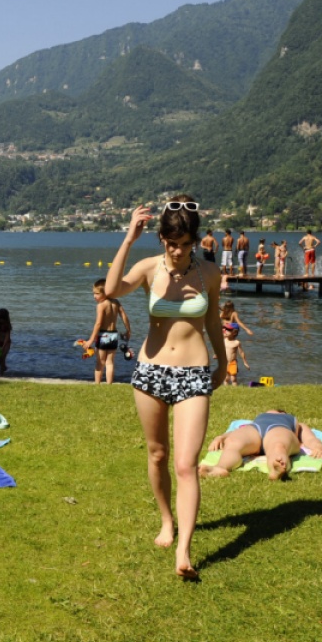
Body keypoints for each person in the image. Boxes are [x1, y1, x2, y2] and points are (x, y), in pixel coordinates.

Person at [103, 196, 226, 581]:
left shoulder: (209, 273)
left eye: (184, 244)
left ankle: (184, 551)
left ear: (195, 241)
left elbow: (212, 321)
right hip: (151, 372)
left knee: (186, 464)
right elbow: (112, 289)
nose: (177, 251)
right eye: (171, 243)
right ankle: (167, 520)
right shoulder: (148, 268)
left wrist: (223, 363)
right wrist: (128, 238)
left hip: (193, 373)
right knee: (157, 455)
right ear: (161, 239)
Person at [200, 410, 322, 481]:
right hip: (255, 429)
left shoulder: (293, 421)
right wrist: (221, 437)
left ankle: (276, 469)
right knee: (233, 442)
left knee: (278, 446)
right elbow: (234, 432)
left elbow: (309, 438)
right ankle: (220, 468)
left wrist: (317, 446)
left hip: (279, 428)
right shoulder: (254, 420)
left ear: (283, 413)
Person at [88, 278, 131, 385]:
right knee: (110, 362)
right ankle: (109, 385)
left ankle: (97, 385)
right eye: (93, 293)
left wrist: (91, 340)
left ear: (105, 293)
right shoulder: (116, 302)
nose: (94, 296)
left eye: (97, 294)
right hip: (113, 335)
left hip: (103, 335)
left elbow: (98, 323)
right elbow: (124, 316)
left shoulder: (101, 305)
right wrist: (128, 330)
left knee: (100, 362)